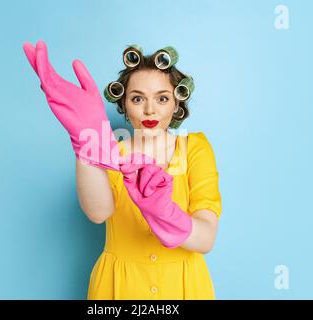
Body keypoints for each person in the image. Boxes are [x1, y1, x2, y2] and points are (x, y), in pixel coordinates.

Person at [23, 41, 222, 299]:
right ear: (124, 103)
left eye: (162, 98)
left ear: (177, 104)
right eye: (137, 98)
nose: (150, 109)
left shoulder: (196, 148)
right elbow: (98, 212)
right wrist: (88, 146)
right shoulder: (110, 152)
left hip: (183, 287)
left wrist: (165, 213)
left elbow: (205, 239)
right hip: (118, 288)